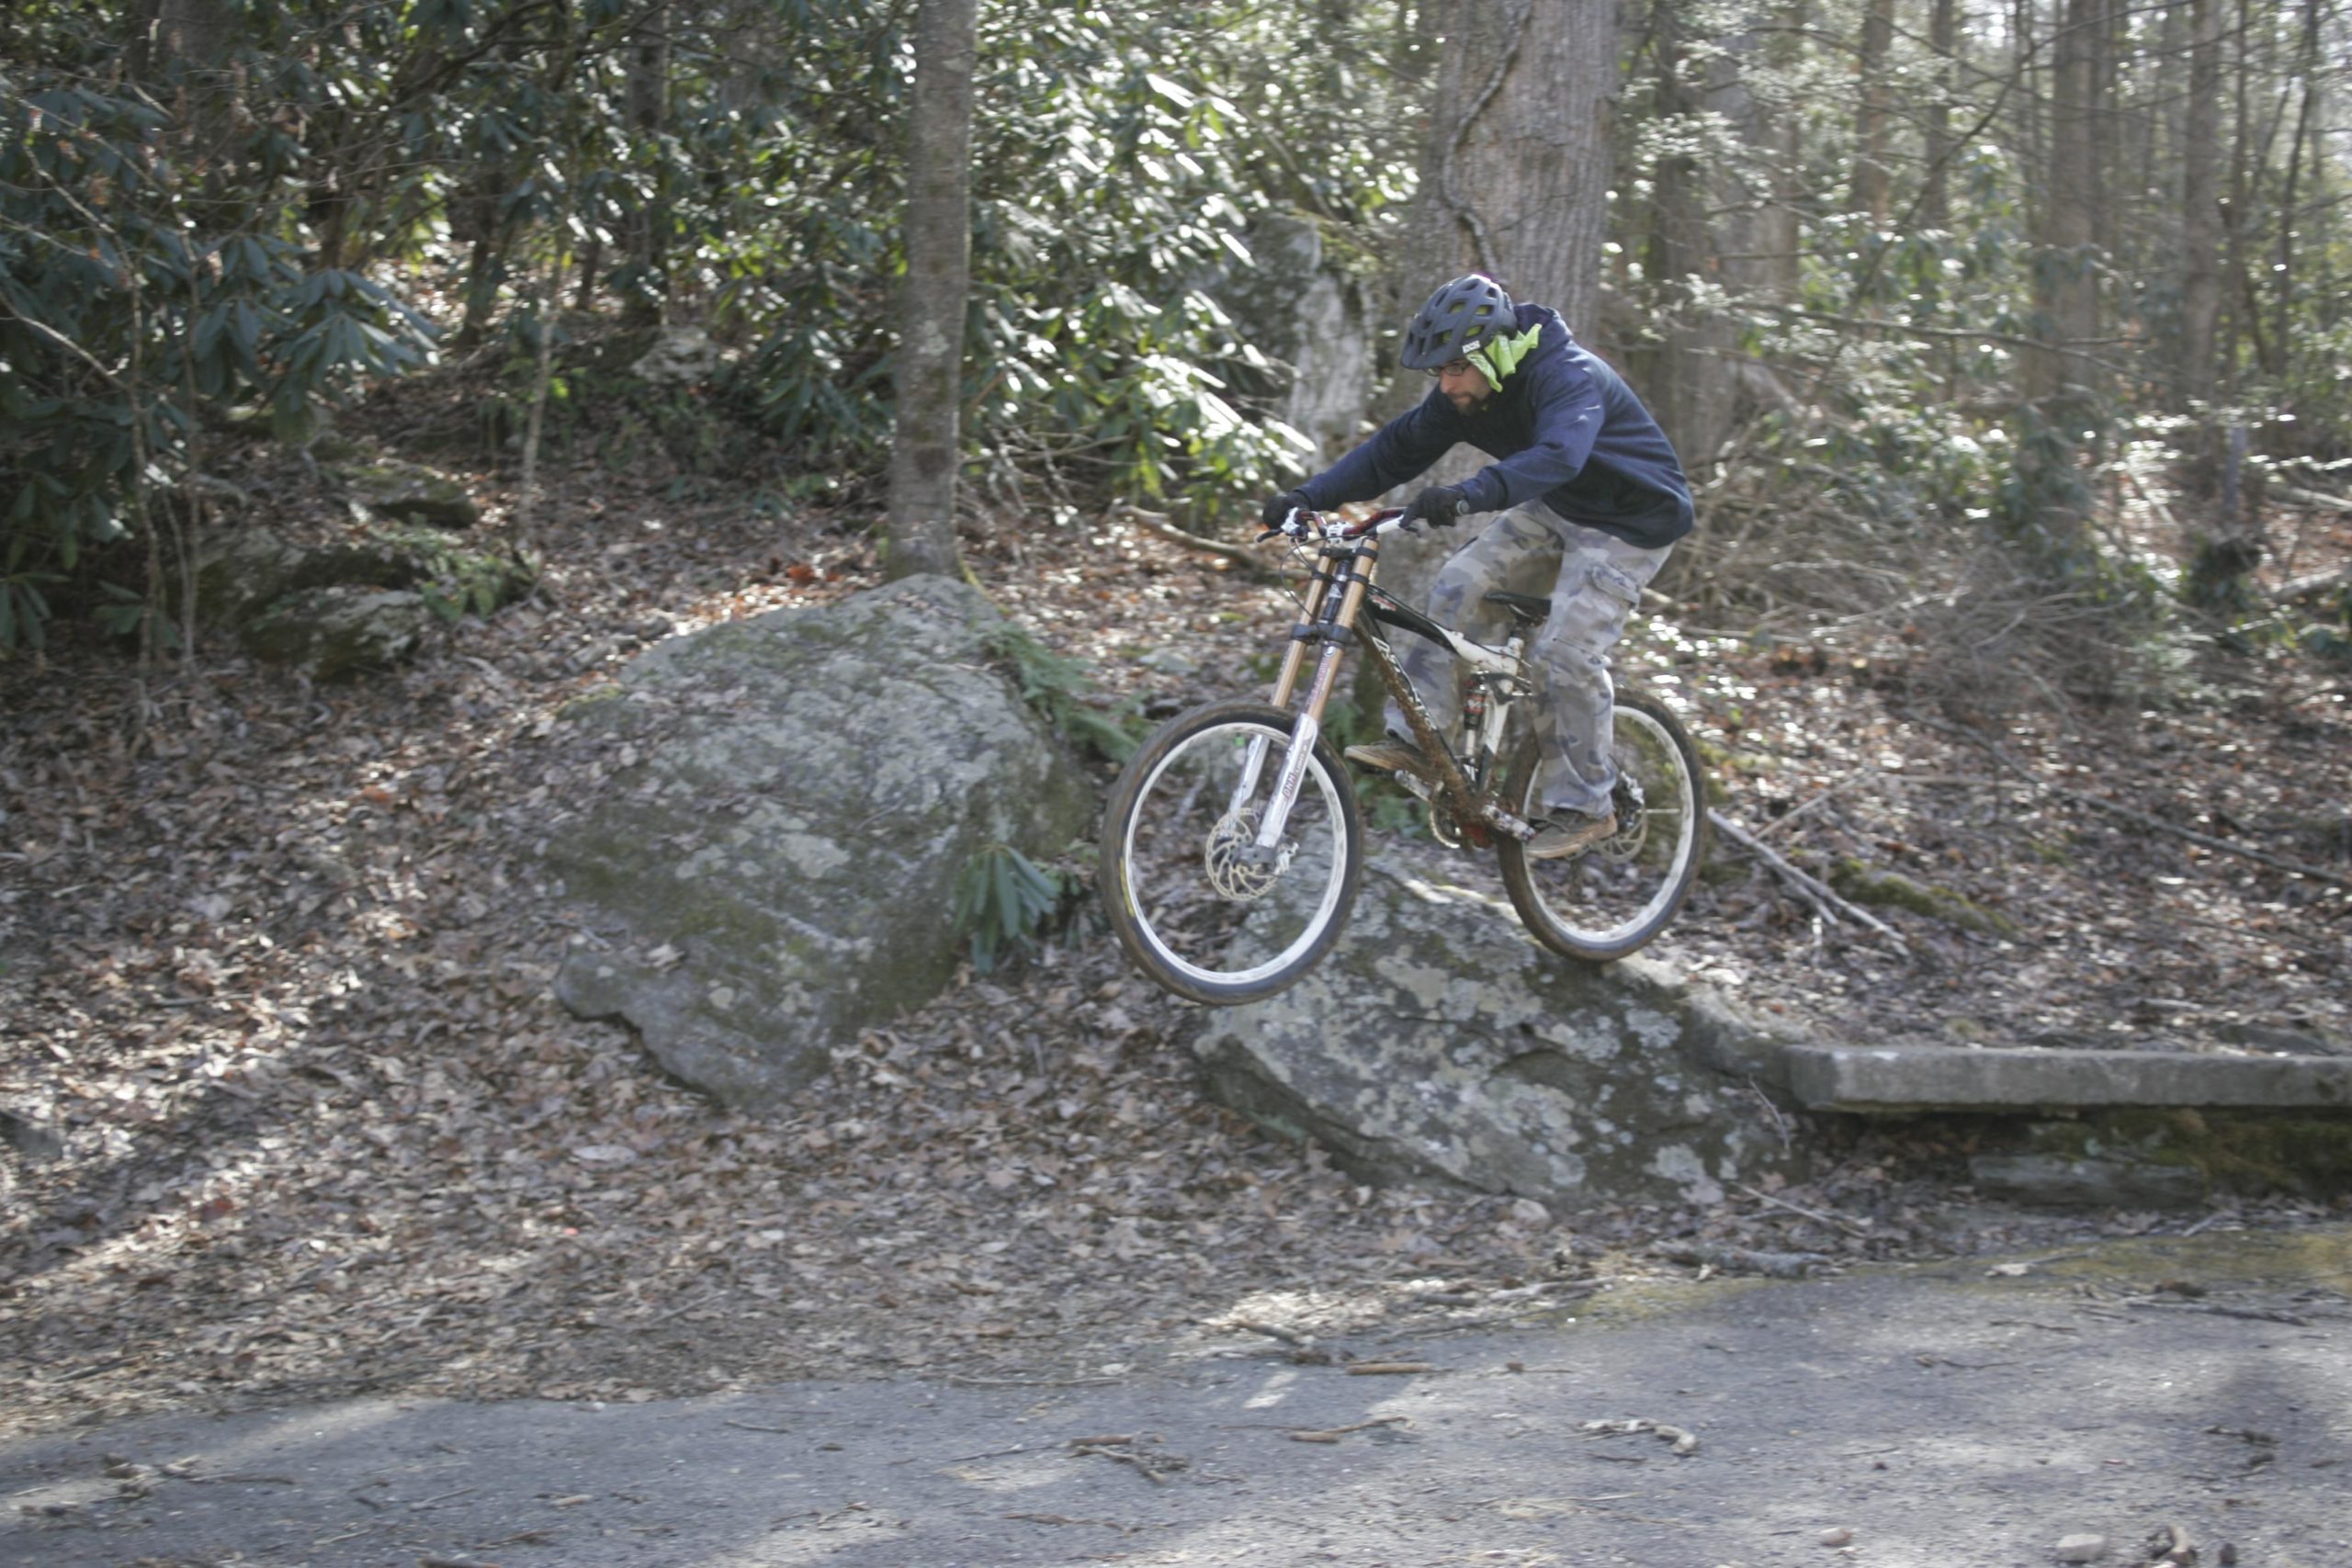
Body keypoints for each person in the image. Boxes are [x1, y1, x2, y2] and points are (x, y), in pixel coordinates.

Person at [1259, 274, 1694, 859]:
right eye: (1437, 372)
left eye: (1454, 369)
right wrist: (1307, 496)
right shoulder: (1463, 394)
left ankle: (1589, 805)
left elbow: (1559, 455)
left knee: (1565, 651)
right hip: (1560, 507)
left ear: (1491, 351)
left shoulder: (1567, 375)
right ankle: (1427, 742)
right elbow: (1394, 451)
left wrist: (1471, 492)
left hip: (1633, 522)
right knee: (1459, 585)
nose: (1446, 383)